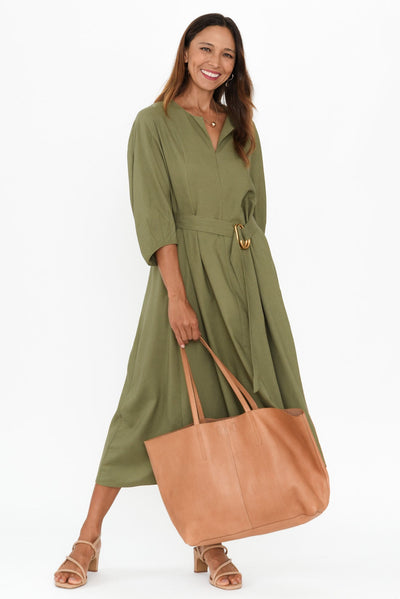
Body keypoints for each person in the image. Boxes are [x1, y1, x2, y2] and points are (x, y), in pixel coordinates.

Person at [54, 12, 326, 592]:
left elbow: (256, 215)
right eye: (206, 49)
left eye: (228, 55)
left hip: (243, 281)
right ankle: (88, 535)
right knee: (147, 401)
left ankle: (210, 541)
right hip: (182, 278)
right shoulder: (152, 124)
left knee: (226, 407)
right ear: (184, 52)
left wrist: (253, 296)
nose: (215, 63)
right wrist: (177, 297)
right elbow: (155, 216)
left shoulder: (242, 128)